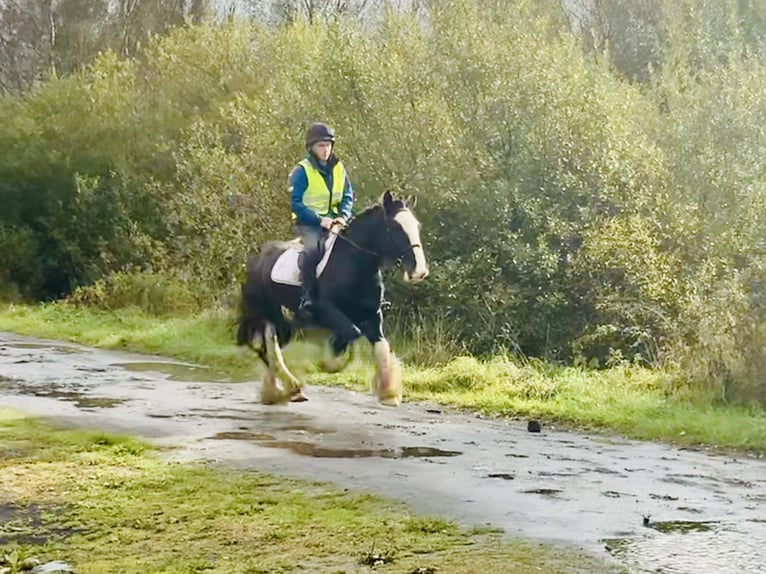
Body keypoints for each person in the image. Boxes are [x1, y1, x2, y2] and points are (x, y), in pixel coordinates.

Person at [289, 122, 354, 318]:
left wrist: (343, 216)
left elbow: (348, 195)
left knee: (360, 246)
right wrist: (320, 221)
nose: (325, 150)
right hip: (308, 224)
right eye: (321, 146)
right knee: (313, 250)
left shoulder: (339, 168)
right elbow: (296, 204)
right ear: (311, 147)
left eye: (328, 145)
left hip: (337, 222)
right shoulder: (302, 170)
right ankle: (307, 296)